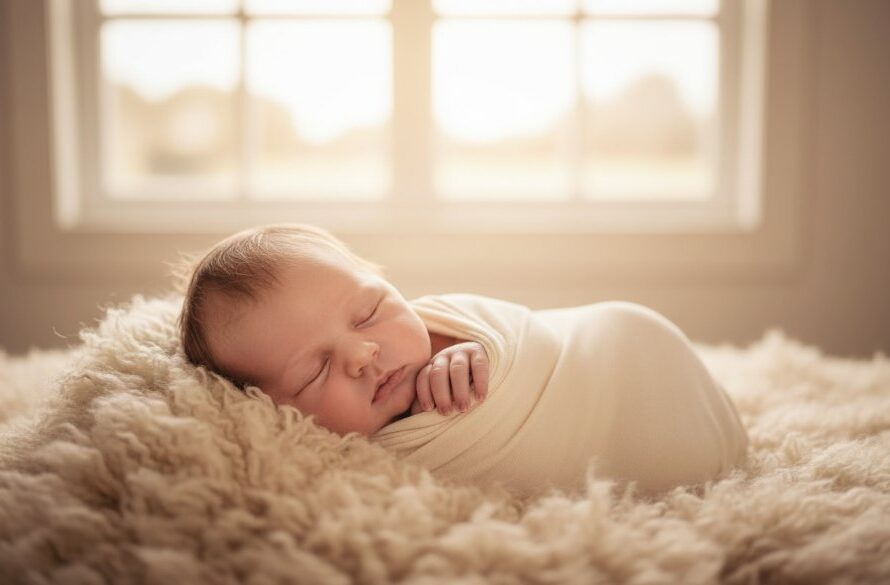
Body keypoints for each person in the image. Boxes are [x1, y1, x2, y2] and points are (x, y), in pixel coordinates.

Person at [177, 223, 748, 497]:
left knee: (623, 331)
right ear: (264, 406)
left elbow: (512, 334)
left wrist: (473, 351)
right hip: (633, 451)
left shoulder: (438, 330)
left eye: (369, 310)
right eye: (313, 370)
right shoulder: (332, 474)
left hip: (623, 349)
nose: (362, 353)